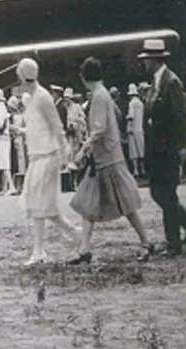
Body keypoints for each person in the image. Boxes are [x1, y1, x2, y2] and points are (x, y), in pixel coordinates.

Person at [68, 57, 153, 264]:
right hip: (105, 158)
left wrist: (82, 153)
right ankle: (85, 249)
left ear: (83, 76)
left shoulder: (98, 96)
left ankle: (145, 241)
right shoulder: (102, 93)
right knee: (87, 202)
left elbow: (98, 129)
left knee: (123, 203)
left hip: (106, 159)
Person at [17, 58, 80, 266]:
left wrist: (64, 155)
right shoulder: (32, 97)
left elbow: (56, 127)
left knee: (37, 204)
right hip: (38, 156)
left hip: (48, 157)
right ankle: (77, 235)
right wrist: (21, 130)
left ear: (22, 75)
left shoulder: (43, 97)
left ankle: (39, 251)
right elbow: (38, 127)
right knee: (48, 209)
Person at [138, 38, 186, 256]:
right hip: (158, 149)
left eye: (146, 59)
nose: (144, 63)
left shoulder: (171, 82)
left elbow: (182, 116)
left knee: (166, 194)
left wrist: (183, 145)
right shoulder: (156, 83)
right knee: (158, 193)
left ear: (155, 59)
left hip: (168, 148)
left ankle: (174, 244)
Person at [8, 95, 27, 192]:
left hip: (22, 141)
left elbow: (29, 129)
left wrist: (18, 129)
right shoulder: (12, 116)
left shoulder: (24, 116)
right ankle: (16, 185)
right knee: (16, 163)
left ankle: (22, 186)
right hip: (14, 140)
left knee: (21, 163)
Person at [126, 84, 146, 178]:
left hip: (133, 129)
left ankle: (136, 170)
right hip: (140, 128)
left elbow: (131, 116)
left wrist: (128, 127)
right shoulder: (140, 103)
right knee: (141, 150)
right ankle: (142, 169)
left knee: (133, 151)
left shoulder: (132, 104)